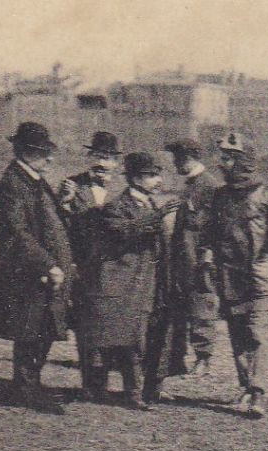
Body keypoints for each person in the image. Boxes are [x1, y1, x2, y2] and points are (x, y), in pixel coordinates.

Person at [202, 132, 268, 417]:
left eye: (228, 159)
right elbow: (210, 235)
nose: (222, 164)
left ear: (243, 162)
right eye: (222, 158)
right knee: (238, 338)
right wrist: (207, 254)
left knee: (258, 335)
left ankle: (257, 392)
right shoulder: (219, 196)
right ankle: (247, 388)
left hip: (260, 280)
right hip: (229, 278)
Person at [0, 121, 75, 415]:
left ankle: (30, 385)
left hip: (40, 270)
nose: (50, 158)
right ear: (24, 152)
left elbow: (44, 218)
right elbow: (18, 231)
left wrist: (62, 201)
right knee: (29, 330)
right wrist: (48, 263)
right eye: (42, 152)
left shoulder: (34, 180)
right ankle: (25, 389)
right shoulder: (11, 184)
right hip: (26, 270)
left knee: (42, 328)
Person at [77, 152, 177, 410]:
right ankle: (124, 393)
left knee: (139, 338)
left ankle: (133, 391)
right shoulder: (116, 206)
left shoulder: (150, 205)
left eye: (158, 174)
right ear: (134, 178)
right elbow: (124, 231)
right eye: (151, 175)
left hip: (145, 283)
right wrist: (156, 218)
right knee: (125, 338)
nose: (157, 180)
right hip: (122, 284)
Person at [57, 130, 121, 398]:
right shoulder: (72, 186)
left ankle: (102, 382)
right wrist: (64, 203)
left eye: (107, 158)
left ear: (115, 162)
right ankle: (88, 383)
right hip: (83, 266)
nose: (102, 163)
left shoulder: (121, 190)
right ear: (89, 157)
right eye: (97, 156)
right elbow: (58, 226)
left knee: (107, 323)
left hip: (113, 268)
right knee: (84, 324)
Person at [164, 138, 221, 377]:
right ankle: (178, 359)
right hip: (182, 259)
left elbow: (216, 225)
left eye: (178, 159)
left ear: (189, 159)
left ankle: (203, 358)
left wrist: (207, 255)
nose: (175, 163)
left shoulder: (209, 186)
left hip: (199, 262)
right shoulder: (191, 184)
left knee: (201, 309)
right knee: (179, 309)